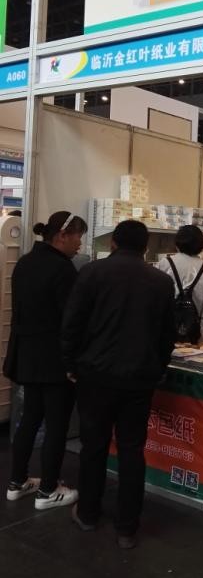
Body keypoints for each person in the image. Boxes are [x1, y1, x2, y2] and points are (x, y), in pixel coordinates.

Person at [61, 220, 176, 549]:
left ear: (113, 242)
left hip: (94, 376)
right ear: (145, 247)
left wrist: (70, 364)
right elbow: (167, 335)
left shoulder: (92, 273)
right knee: (132, 449)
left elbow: (72, 323)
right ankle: (127, 527)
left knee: (93, 446)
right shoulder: (161, 282)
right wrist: (157, 368)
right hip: (139, 379)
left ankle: (88, 513)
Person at [4, 211, 87, 510]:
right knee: (56, 425)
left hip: (26, 356)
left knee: (29, 419)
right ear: (62, 236)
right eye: (78, 237)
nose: (80, 244)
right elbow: (71, 321)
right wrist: (73, 363)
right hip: (55, 360)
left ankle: (17, 482)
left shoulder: (25, 262)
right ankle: (48, 490)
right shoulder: (63, 270)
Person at [158, 225, 203, 343]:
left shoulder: (164, 263)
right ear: (201, 245)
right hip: (197, 331)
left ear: (177, 242)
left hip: (167, 327)